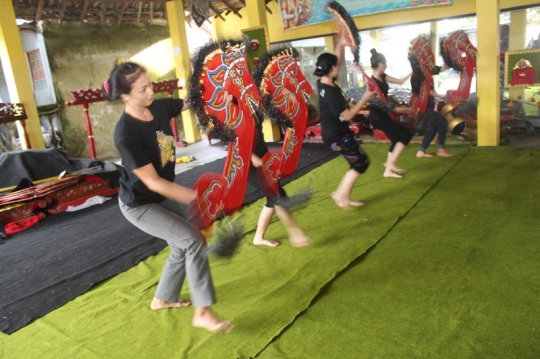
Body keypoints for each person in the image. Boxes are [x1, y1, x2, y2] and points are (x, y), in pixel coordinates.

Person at [104, 62, 233, 333]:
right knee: (194, 241)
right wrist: (195, 196)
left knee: (181, 243)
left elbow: (188, 103)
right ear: (125, 96)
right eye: (143, 89)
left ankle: (163, 298)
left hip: (161, 193)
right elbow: (152, 181)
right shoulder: (126, 135)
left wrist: (219, 95)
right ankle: (203, 312)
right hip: (140, 204)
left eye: (151, 84)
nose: (151, 91)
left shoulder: (159, 107)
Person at [222, 90, 310, 247]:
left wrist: (289, 95)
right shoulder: (234, 109)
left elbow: (285, 107)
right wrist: (255, 160)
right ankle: (294, 231)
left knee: (273, 197)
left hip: (263, 157)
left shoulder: (254, 101)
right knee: (277, 194)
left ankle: (258, 237)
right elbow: (236, 142)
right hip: (247, 164)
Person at [314, 37, 375, 210]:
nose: (339, 68)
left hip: (337, 133)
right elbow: (347, 116)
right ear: (331, 69)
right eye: (337, 66)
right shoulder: (330, 92)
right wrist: (365, 97)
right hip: (337, 137)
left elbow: (334, 61)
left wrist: (341, 44)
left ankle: (344, 196)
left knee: (357, 161)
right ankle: (340, 194)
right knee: (361, 162)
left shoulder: (323, 83)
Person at [369, 48, 413, 179]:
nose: (386, 64)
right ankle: (391, 163)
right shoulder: (372, 83)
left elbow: (399, 82)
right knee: (406, 134)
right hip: (377, 117)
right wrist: (398, 110)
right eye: (385, 62)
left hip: (383, 115)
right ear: (381, 64)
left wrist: (412, 72)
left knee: (395, 139)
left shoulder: (382, 76)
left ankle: (388, 171)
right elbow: (379, 103)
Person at [412, 64, 454, 157]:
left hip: (427, 107)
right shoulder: (416, 76)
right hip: (421, 107)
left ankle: (421, 151)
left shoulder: (426, 70)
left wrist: (450, 61)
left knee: (433, 127)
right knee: (443, 122)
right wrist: (442, 96)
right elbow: (428, 91)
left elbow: (441, 68)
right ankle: (441, 149)